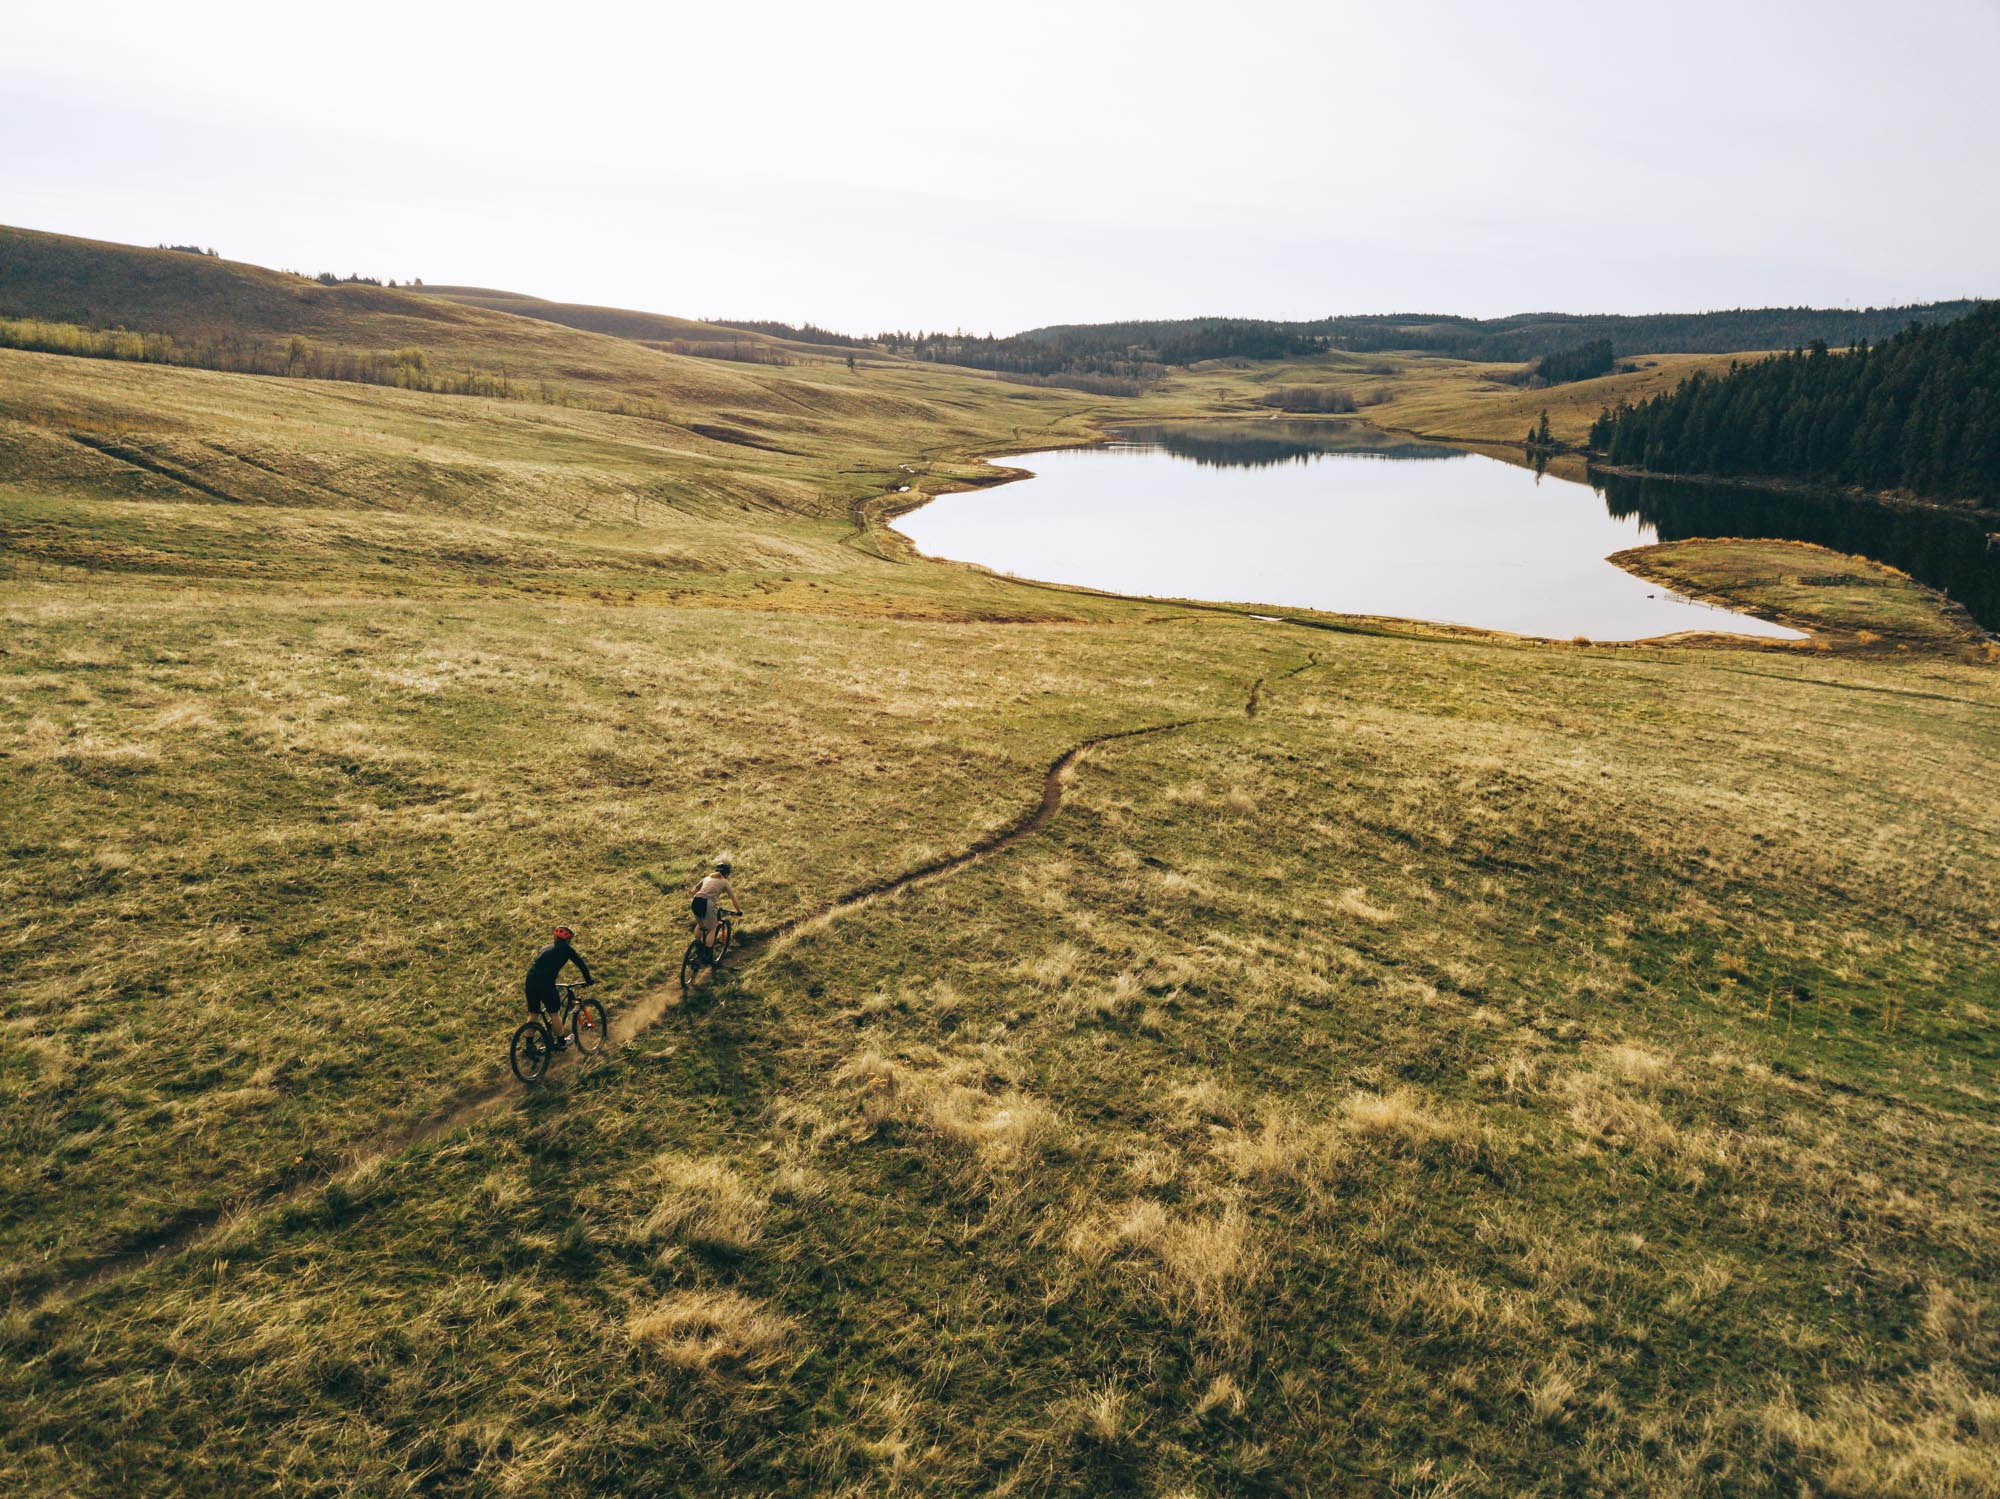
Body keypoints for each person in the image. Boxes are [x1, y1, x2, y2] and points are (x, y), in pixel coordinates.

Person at [525, 925, 593, 1048]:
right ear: (568, 940)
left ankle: (529, 1044)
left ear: (555, 936)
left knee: (533, 1013)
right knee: (554, 1013)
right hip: (545, 983)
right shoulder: (567, 949)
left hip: (530, 981)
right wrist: (588, 980)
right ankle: (561, 1042)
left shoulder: (545, 947)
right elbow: (581, 964)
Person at [690, 856, 743, 951]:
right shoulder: (725, 881)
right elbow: (733, 898)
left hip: (695, 900)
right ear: (726, 874)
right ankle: (707, 952)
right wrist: (739, 911)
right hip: (707, 902)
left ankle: (697, 946)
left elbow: (693, 891)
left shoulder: (707, 878)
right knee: (712, 928)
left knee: (701, 925)